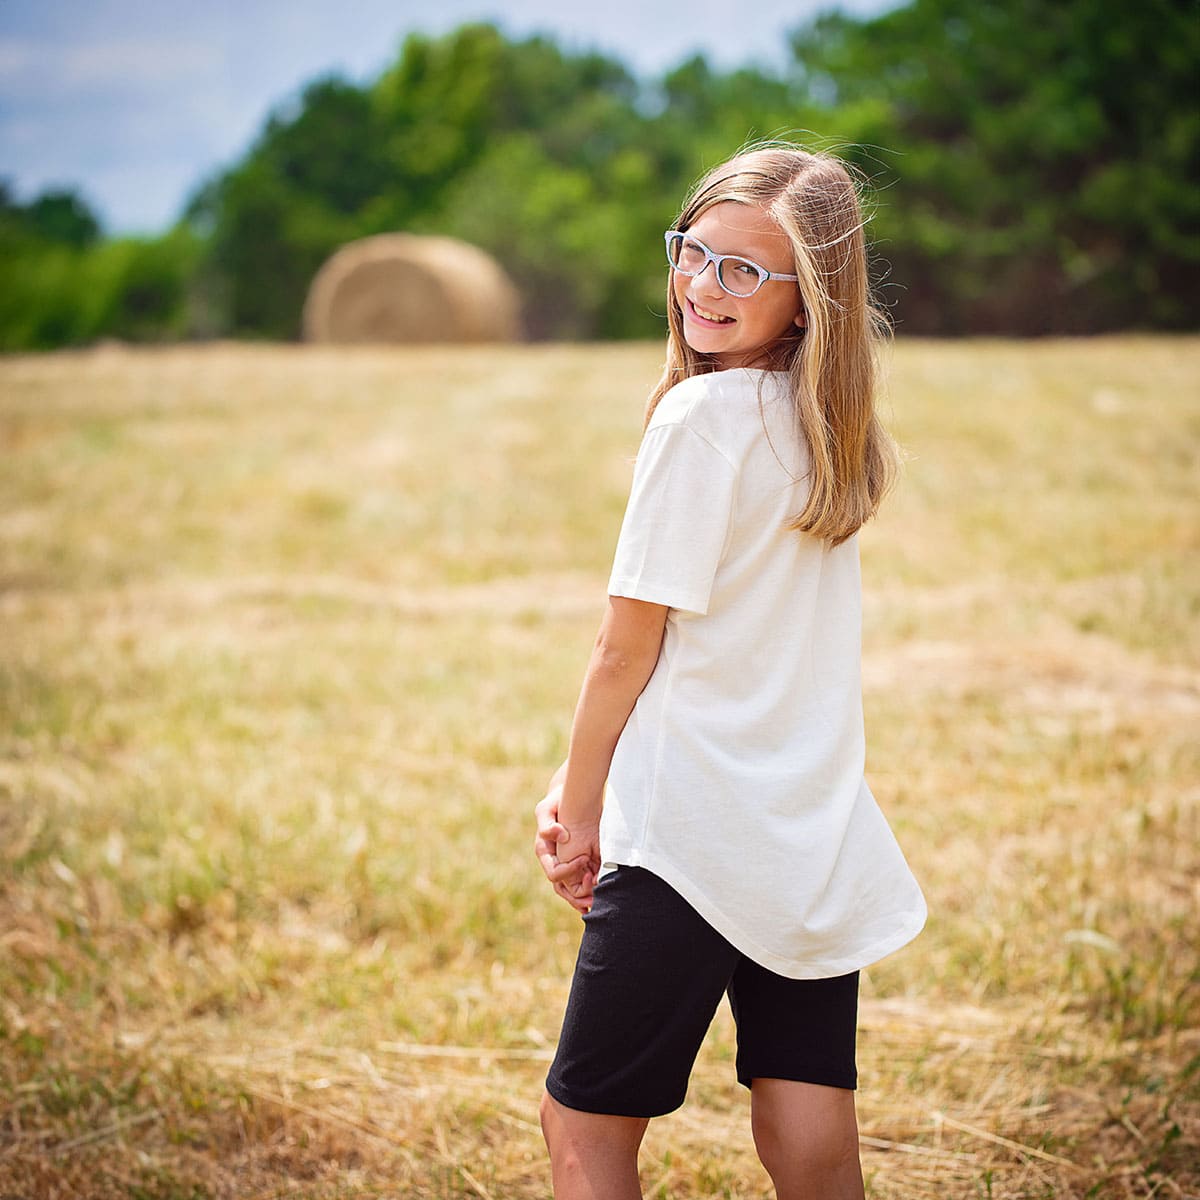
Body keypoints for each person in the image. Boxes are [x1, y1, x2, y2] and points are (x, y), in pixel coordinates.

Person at [532, 141, 927, 1200]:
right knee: (807, 1127)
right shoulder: (827, 430)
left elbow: (625, 647)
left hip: (690, 832)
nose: (705, 285)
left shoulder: (700, 419)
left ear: (808, 301)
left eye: (745, 269)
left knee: (582, 1128)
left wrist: (580, 806)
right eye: (693, 252)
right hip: (807, 829)